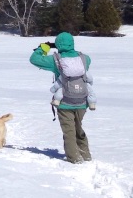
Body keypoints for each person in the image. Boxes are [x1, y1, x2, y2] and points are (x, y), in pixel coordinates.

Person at [29, 32, 95, 163]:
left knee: (69, 131)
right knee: (78, 128)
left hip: (64, 102)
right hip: (82, 101)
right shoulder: (85, 59)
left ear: (58, 44)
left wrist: (44, 48)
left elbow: (34, 59)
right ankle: (86, 155)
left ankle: (74, 158)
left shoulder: (55, 60)